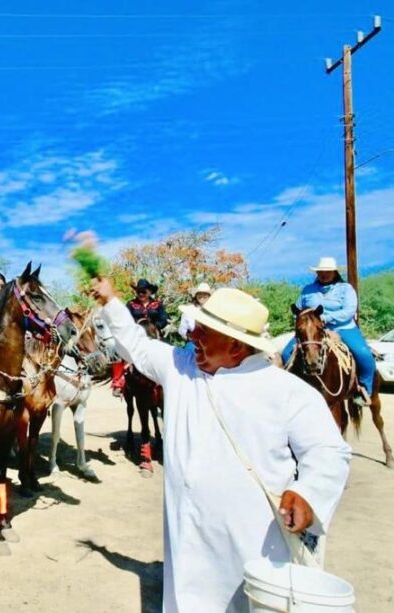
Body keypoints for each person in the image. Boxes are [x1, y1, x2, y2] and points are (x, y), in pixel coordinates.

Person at [90, 278, 351, 612]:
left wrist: (309, 493)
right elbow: (137, 346)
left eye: (203, 332)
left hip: (254, 548)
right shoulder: (180, 368)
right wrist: (111, 300)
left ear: (236, 347)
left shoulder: (288, 392)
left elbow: (328, 451)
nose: (192, 337)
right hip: (187, 542)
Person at [282, 256, 376, 406]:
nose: (323, 274)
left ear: (334, 272)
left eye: (327, 272)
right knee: (286, 353)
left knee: (363, 354)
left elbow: (349, 310)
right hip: (312, 331)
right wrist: (304, 322)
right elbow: (298, 311)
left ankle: (364, 389)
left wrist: (327, 318)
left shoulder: (345, 289)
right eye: (320, 272)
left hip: (343, 327)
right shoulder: (308, 290)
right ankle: (294, 387)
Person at [111, 278, 168, 396]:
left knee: (169, 350)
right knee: (120, 353)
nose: (141, 294)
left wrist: (156, 325)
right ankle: (118, 383)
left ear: (149, 292)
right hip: (136, 336)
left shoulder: (157, 304)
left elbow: (163, 318)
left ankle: (168, 380)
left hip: (155, 334)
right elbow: (125, 319)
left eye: (144, 291)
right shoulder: (131, 304)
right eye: (139, 291)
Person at [178, 282, 212, 349]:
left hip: (209, 344)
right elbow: (182, 328)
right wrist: (188, 335)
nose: (202, 296)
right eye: (200, 293)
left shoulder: (213, 311)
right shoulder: (189, 310)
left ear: (209, 296)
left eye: (205, 294)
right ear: (196, 295)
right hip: (193, 343)